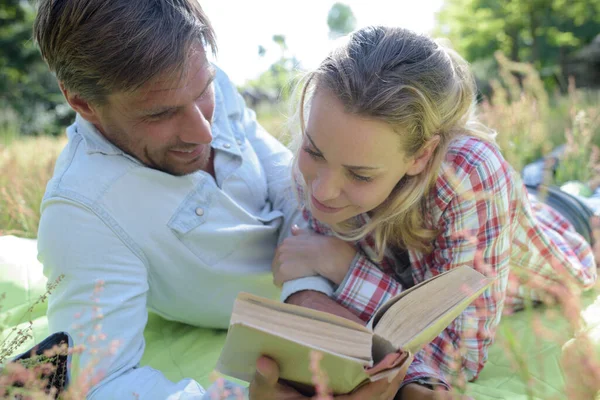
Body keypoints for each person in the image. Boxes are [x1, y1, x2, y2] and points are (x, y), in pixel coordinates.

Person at [32, 1, 382, 399]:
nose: (203, 132)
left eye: (203, 93)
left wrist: (305, 290)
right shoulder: (81, 212)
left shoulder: (203, 81)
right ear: (83, 103)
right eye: (160, 115)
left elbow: (289, 185)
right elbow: (101, 383)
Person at [269, 25, 598, 397]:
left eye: (360, 175)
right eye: (313, 152)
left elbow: (461, 358)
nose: (321, 189)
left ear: (421, 155)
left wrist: (344, 267)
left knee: (584, 194)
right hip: (523, 204)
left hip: (566, 228)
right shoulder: (326, 162)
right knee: (546, 175)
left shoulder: (471, 175)